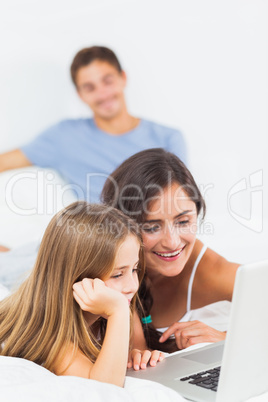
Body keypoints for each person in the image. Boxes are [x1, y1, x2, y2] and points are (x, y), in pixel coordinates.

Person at [0, 201, 164, 385]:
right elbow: (104, 389)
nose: (132, 286)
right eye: (118, 274)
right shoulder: (54, 338)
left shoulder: (122, 302)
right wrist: (118, 312)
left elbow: (135, 351)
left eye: (135, 269)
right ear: (77, 278)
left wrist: (138, 356)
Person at [0, 46, 187, 203]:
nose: (102, 94)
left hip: (151, 235)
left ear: (123, 78)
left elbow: (179, 203)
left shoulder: (168, 138)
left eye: (108, 81)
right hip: (97, 240)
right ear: (80, 94)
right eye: (89, 88)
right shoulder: (64, 137)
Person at [101, 148, 240, 352]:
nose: (173, 243)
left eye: (183, 221)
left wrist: (226, 338)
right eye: (152, 227)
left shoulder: (212, 271)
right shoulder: (103, 264)